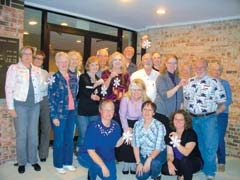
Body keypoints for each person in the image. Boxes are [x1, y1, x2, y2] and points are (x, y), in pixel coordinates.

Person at [183, 59, 226, 180]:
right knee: (197, 145)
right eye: (197, 67)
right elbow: (186, 100)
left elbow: (223, 102)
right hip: (192, 118)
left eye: (201, 67)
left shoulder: (214, 82)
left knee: (210, 146)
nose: (199, 69)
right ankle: (201, 167)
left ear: (206, 67)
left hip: (208, 119)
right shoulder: (190, 82)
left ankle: (210, 172)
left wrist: (214, 113)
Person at [5, 46, 44, 173]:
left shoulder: (37, 70)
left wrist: (48, 81)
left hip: (34, 105)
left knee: (33, 134)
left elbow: (41, 86)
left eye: (30, 54)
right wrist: (11, 107)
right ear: (21, 55)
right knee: (22, 135)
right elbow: (8, 88)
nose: (28, 56)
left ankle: (33, 160)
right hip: (20, 105)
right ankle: (21, 161)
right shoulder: (14, 68)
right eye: (25, 54)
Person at [77, 99, 126, 180]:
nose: (108, 112)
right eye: (106, 109)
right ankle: (91, 176)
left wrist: (125, 136)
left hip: (107, 157)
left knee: (111, 178)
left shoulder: (116, 126)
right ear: (100, 110)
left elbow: (116, 144)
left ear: (114, 111)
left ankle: (99, 167)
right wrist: (103, 166)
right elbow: (91, 151)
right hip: (87, 154)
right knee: (97, 165)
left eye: (111, 110)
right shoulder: (93, 127)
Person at [48, 52, 78, 174]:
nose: (64, 64)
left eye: (65, 61)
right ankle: (58, 164)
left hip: (71, 112)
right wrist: (53, 116)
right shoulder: (53, 78)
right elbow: (50, 99)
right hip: (59, 114)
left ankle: (68, 162)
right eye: (61, 62)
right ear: (57, 63)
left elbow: (75, 95)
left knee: (69, 139)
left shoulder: (73, 76)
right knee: (59, 140)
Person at [118, 79, 150, 174]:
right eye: (134, 89)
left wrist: (137, 129)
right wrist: (126, 129)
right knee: (127, 141)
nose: (136, 92)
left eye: (139, 89)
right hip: (126, 122)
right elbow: (122, 115)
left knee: (136, 141)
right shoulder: (125, 99)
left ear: (143, 91)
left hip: (139, 122)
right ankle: (126, 163)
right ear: (130, 90)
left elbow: (143, 116)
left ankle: (133, 162)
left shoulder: (145, 100)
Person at [161, 109, 203, 180]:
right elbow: (170, 154)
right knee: (164, 169)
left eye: (181, 119)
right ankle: (181, 174)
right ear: (173, 120)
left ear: (185, 121)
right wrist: (169, 162)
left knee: (185, 162)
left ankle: (184, 176)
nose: (178, 121)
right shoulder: (170, 133)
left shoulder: (191, 133)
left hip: (193, 160)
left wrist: (176, 141)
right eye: (176, 119)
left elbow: (186, 153)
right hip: (178, 161)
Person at [132, 100, 166, 180]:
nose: (147, 112)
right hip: (144, 153)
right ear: (141, 111)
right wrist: (139, 163)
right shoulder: (137, 125)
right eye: (144, 109)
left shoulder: (159, 126)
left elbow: (158, 148)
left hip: (159, 153)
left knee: (155, 163)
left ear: (153, 113)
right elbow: (135, 146)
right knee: (140, 177)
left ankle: (157, 174)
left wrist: (149, 160)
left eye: (150, 110)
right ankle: (150, 169)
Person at [76, 56, 104, 152]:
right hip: (83, 111)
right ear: (88, 66)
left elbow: (100, 93)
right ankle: (81, 153)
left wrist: (98, 97)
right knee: (83, 134)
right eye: (92, 65)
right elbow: (84, 90)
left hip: (94, 111)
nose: (95, 67)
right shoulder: (83, 77)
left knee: (92, 134)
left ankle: (90, 153)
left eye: (96, 65)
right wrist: (95, 85)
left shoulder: (98, 78)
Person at [154, 54, 185, 135]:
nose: (172, 65)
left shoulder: (178, 79)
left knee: (172, 139)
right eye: (170, 63)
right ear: (166, 64)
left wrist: (181, 115)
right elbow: (165, 95)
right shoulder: (161, 78)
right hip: (162, 113)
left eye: (174, 63)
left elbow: (181, 100)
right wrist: (178, 86)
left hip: (173, 116)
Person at [210, 63, 233, 172]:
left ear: (221, 71)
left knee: (219, 138)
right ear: (211, 71)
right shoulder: (208, 83)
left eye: (219, 70)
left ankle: (221, 161)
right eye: (215, 70)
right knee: (208, 138)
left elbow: (229, 100)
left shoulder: (225, 83)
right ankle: (209, 161)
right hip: (209, 115)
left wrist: (218, 110)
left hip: (222, 115)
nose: (217, 72)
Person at [101, 51, 130, 124]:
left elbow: (128, 91)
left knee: (120, 126)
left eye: (120, 60)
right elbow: (103, 88)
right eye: (115, 59)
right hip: (108, 105)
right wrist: (110, 77)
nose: (118, 61)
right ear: (111, 61)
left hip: (122, 105)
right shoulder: (106, 73)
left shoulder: (125, 75)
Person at [32, 50, 51, 162]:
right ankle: (32, 154)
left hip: (45, 100)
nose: (39, 60)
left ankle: (43, 153)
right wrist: (46, 81)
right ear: (33, 59)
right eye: (37, 58)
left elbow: (47, 88)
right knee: (32, 128)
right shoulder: (28, 71)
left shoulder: (45, 72)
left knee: (46, 127)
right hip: (33, 100)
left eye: (41, 59)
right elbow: (39, 87)